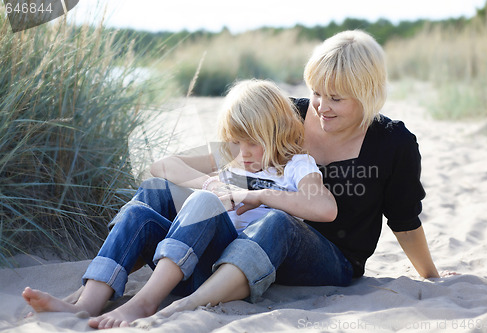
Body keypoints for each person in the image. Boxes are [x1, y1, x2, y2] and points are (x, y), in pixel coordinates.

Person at [133, 29, 440, 326]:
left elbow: (404, 220)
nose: (322, 107)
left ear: (367, 94)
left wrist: (430, 276)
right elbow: (222, 157)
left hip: (330, 259)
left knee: (279, 221)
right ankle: (103, 283)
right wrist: (212, 183)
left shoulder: (393, 143)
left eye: (336, 98)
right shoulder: (287, 115)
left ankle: (190, 302)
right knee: (156, 191)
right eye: (316, 92)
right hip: (244, 241)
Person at [21, 79, 336, 329]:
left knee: (201, 203)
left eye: (253, 141)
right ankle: (86, 303)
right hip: (186, 264)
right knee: (138, 213)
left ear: (277, 131)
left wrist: (261, 195)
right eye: (238, 141)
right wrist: (212, 183)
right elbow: (163, 165)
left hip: (228, 275)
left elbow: (324, 208)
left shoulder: (295, 165)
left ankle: (145, 302)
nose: (245, 151)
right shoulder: (234, 158)